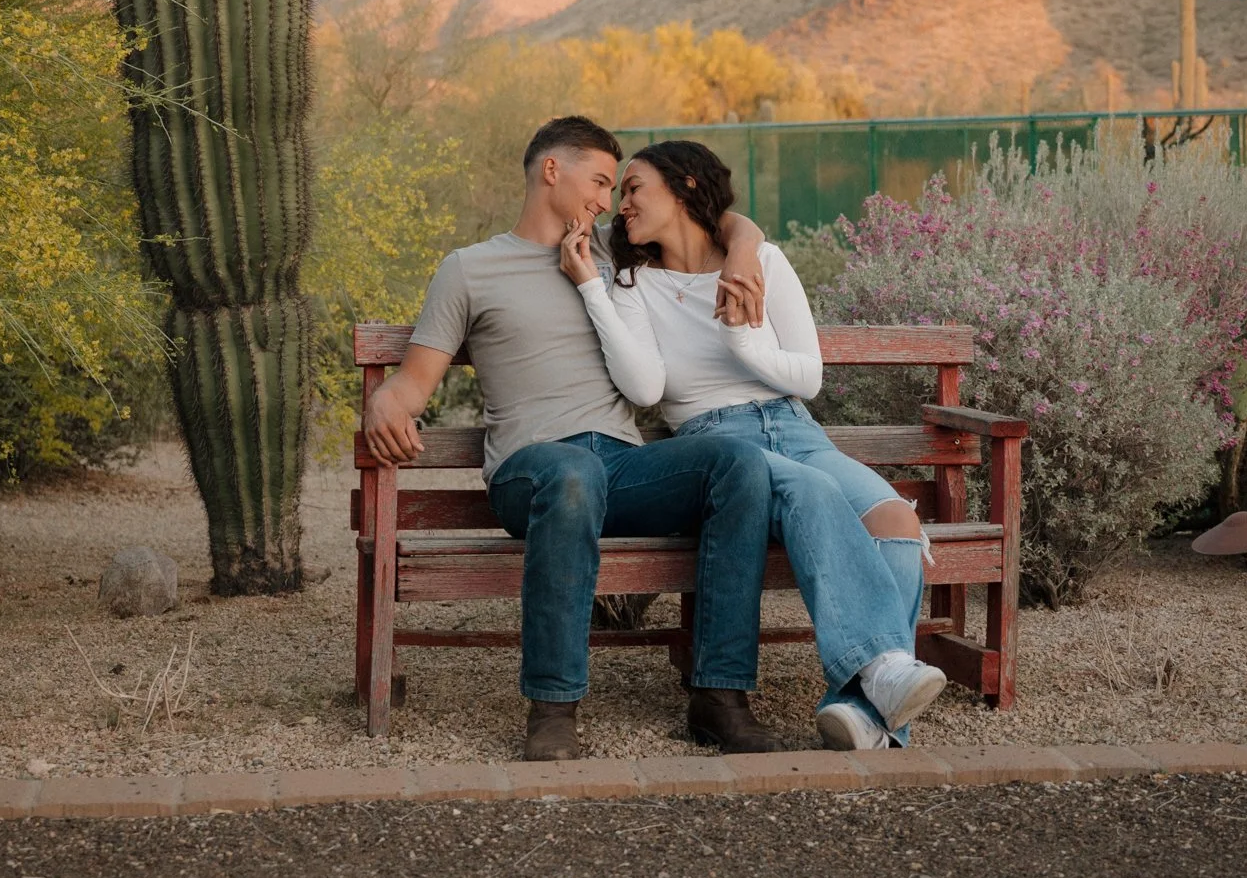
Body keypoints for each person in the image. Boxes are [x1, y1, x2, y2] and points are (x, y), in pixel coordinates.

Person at [361, 116, 792, 762]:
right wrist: (383, 403)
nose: (605, 199)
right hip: (533, 470)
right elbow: (413, 381)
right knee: (570, 473)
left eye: (615, 187)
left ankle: (719, 697)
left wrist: (743, 249)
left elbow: (717, 219)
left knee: (739, 463)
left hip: (620, 465)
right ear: (551, 170)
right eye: (598, 180)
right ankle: (553, 708)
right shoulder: (471, 269)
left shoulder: (618, 256)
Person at [561, 139, 945, 750]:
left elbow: (809, 378)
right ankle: (883, 671)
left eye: (633, 188)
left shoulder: (762, 258)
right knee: (814, 491)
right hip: (721, 445)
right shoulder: (632, 280)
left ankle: (861, 712)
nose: (621, 204)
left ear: (685, 186)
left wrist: (744, 340)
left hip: (795, 427)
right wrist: (591, 287)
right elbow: (645, 386)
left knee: (897, 520)